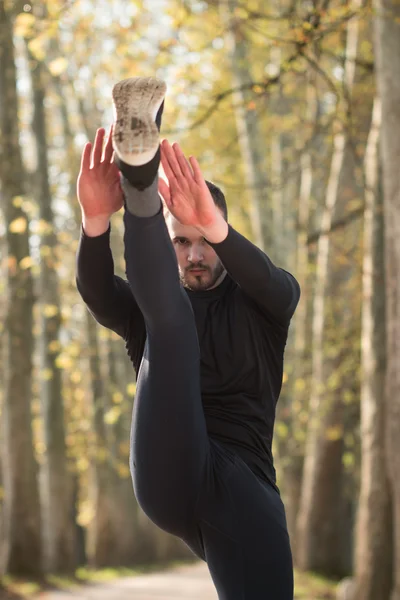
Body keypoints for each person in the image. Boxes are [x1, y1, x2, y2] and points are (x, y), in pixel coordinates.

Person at [76, 76, 300, 599]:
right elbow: (95, 289)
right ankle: (140, 180)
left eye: (205, 241)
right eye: (181, 241)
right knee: (169, 323)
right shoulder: (145, 309)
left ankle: (143, 180)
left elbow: (273, 281)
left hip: (244, 487)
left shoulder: (265, 304)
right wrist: (93, 221)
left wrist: (213, 223)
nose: (195, 254)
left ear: (223, 235)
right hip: (170, 468)